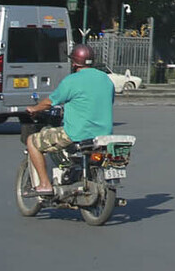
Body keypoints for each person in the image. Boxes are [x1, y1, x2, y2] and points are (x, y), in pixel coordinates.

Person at [24, 43, 116, 196]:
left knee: (32, 141)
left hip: (76, 133)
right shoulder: (106, 80)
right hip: (103, 135)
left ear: (74, 63)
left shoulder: (72, 80)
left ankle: (45, 184)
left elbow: (50, 102)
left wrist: (34, 109)